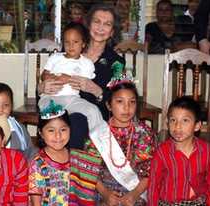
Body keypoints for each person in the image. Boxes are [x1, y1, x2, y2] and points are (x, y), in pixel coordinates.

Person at [37, 3, 126, 149]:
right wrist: (41, 88)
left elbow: (117, 101)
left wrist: (96, 90)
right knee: (61, 119)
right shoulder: (69, 49)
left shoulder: (116, 62)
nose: (100, 28)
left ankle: (80, 165)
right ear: (88, 24)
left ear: (112, 31)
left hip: (93, 114)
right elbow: (48, 78)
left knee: (76, 120)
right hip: (59, 105)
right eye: (96, 22)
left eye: (107, 24)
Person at [85, 63, 155, 205]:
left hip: (137, 190)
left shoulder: (144, 133)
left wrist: (135, 193)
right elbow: (89, 170)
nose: (127, 107)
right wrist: (105, 193)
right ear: (109, 105)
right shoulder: (97, 134)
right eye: (120, 102)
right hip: (105, 192)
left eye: (132, 102)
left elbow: (151, 170)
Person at [39, 22, 107, 153]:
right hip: (52, 97)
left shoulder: (86, 64)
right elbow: (44, 75)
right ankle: (51, 148)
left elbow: (84, 83)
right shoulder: (55, 58)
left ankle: (97, 145)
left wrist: (67, 78)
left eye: (75, 42)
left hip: (72, 99)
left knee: (93, 111)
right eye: (67, 42)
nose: (71, 46)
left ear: (83, 44)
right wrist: (54, 78)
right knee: (51, 113)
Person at [148, 96, 210, 205]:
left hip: (198, 202)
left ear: (197, 126)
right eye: (173, 120)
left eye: (185, 120)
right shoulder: (162, 152)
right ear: (168, 124)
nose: (177, 126)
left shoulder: (207, 151)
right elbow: (153, 185)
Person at [29, 100, 101, 205]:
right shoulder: (36, 164)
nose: (58, 136)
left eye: (63, 130)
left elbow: (90, 178)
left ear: (70, 130)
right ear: (41, 133)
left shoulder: (76, 157)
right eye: (51, 131)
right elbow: (36, 203)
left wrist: (106, 193)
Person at [0, 82, 36, 159]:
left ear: (11, 106)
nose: (1, 109)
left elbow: (29, 156)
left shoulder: (19, 130)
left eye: (6, 105)